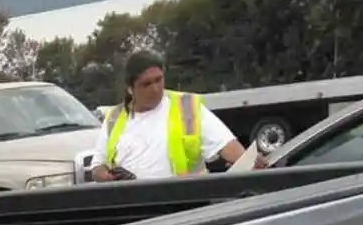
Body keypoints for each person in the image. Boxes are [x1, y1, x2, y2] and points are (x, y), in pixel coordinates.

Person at [88, 49, 253, 181]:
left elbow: (229, 148)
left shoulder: (186, 108)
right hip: (133, 207)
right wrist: (109, 177)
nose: (155, 89)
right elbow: (97, 167)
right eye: (146, 84)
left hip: (184, 206)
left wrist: (251, 164)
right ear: (130, 88)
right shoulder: (114, 118)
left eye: (158, 80)